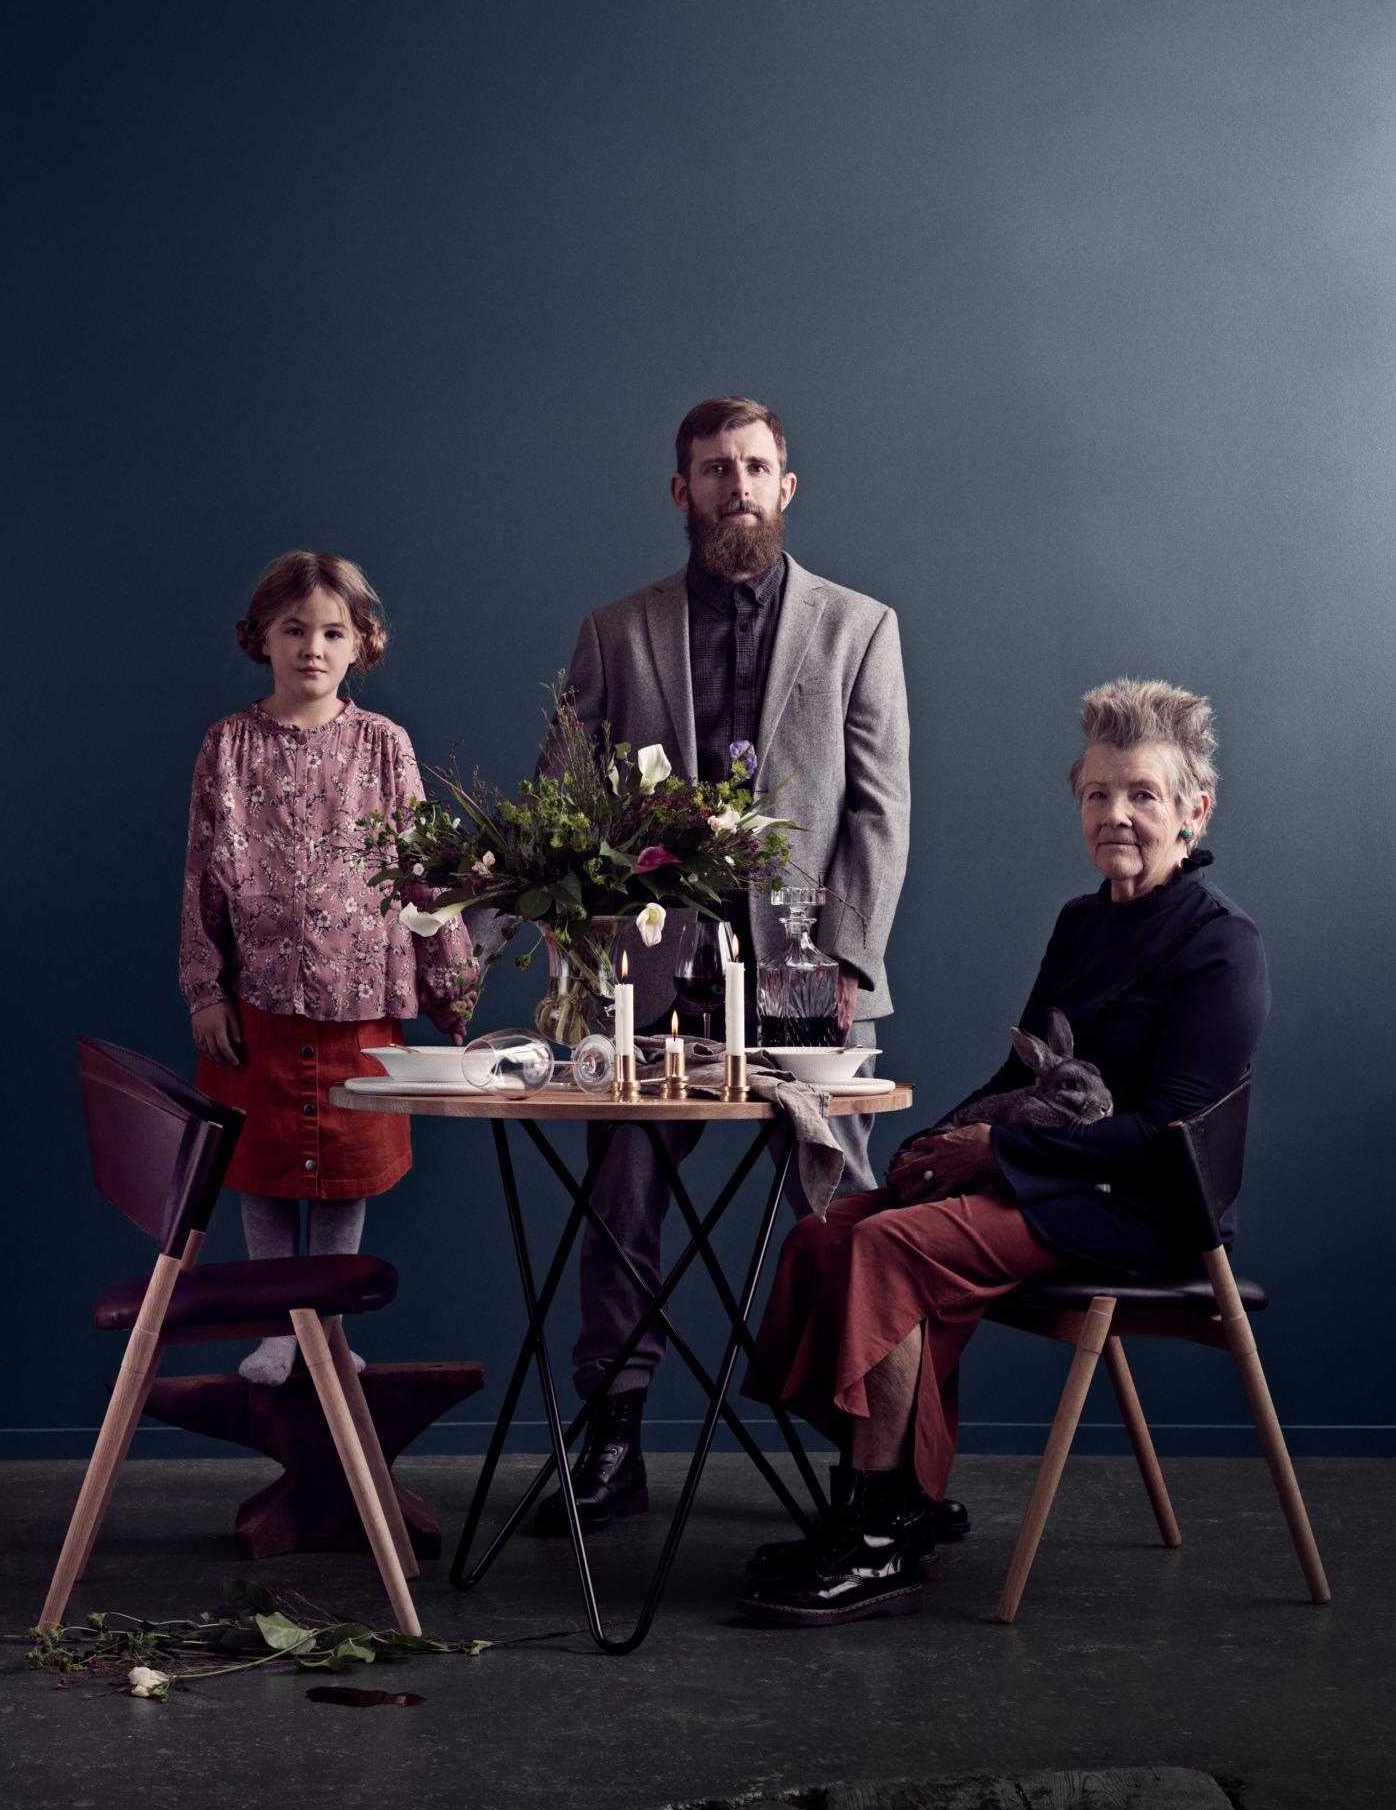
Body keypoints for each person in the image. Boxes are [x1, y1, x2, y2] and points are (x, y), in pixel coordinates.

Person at [736, 677, 1271, 1625]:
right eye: (1099, 794)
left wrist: (993, 1154)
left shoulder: (1223, 944)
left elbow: (1167, 1137)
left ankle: (873, 1541)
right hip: (1047, 1180)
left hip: (1138, 1208)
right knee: (834, 1231)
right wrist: (941, 1143)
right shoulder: (1081, 922)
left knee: (890, 1250)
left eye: (1143, 795)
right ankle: (903, 1504)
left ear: (1195, 809)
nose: (1117, 815)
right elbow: (1017, 1068)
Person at [536, 396, 911, 1533]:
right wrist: (589, 950)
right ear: (680, 489)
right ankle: (611, 1434)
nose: (735, 484)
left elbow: (880, 817)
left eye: (755, 466)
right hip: (653, 974)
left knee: (842, 1193)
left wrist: (846, 958)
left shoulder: (860, 627)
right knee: (621, 1191)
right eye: (713, 468)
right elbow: (562, 794)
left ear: (786, 485)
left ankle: (868, 1454)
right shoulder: (616, 629)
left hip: (808, 967)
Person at [180, 551, 476, 1385]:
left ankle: (329, 1328)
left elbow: (425, 869)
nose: (313, 646)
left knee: (347, 1166)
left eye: (333, 632)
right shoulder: (227, 746)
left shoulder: (385, 746)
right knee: (265, 1166)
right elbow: (201, 872)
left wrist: (453, 993)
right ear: (262, 640)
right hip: (258, 1002)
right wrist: (205, 989)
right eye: (295, 629)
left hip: (361, 999)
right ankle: (278, 1329)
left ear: (361, 645)